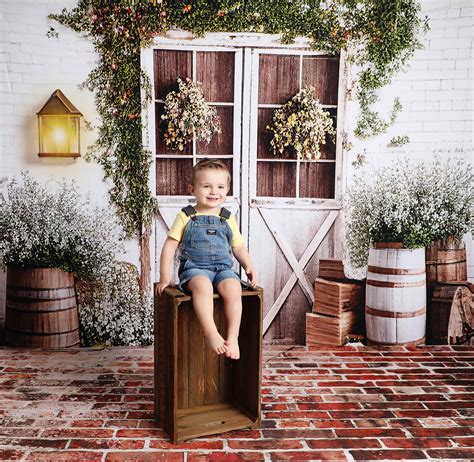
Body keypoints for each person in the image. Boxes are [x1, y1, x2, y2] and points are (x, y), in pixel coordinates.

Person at [157, 159, 256, 360]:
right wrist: (164, 276)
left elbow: (237, 246)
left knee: (234, 288)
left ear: (227, 189)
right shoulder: (186, 216)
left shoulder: (228, 217)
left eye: (220, 187)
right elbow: (170, 245)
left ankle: (233, 337)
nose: (213, 192)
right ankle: (210, 332)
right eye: (206, 186)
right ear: (192, 189)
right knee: (203, 286)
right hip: (195, 269)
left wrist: (248, 265)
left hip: (222, 268)